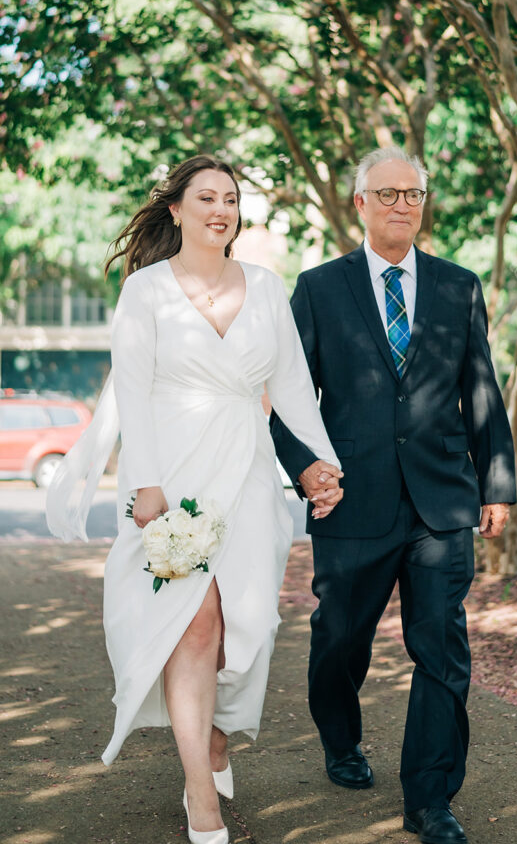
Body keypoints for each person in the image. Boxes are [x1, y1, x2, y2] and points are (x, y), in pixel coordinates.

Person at [47, 156, 342, 844]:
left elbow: (293, 388)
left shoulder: (267, 289)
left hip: (244, 470)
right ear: (175, 209)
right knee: (194, 624)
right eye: (206, 197)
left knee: (250, 625)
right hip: (170, 475)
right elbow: (132, 391)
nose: (221, 209)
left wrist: (322, 463)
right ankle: (201, 795)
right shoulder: (145, 292)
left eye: (231, 199)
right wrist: (146, 483)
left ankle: (215, 737)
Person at [271, 146, 517, 844]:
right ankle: (341, 738)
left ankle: (430, 798)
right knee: (339, 638)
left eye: (413, 193)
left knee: (440, 646)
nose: (402, 204)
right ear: (360, 204)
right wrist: (305, 468)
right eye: (387, 194)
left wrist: (495, 481)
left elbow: (481, 391)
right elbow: (286, 401)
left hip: (442, 501)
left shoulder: (459, 285)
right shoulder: (318, 289)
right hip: (351, 502)